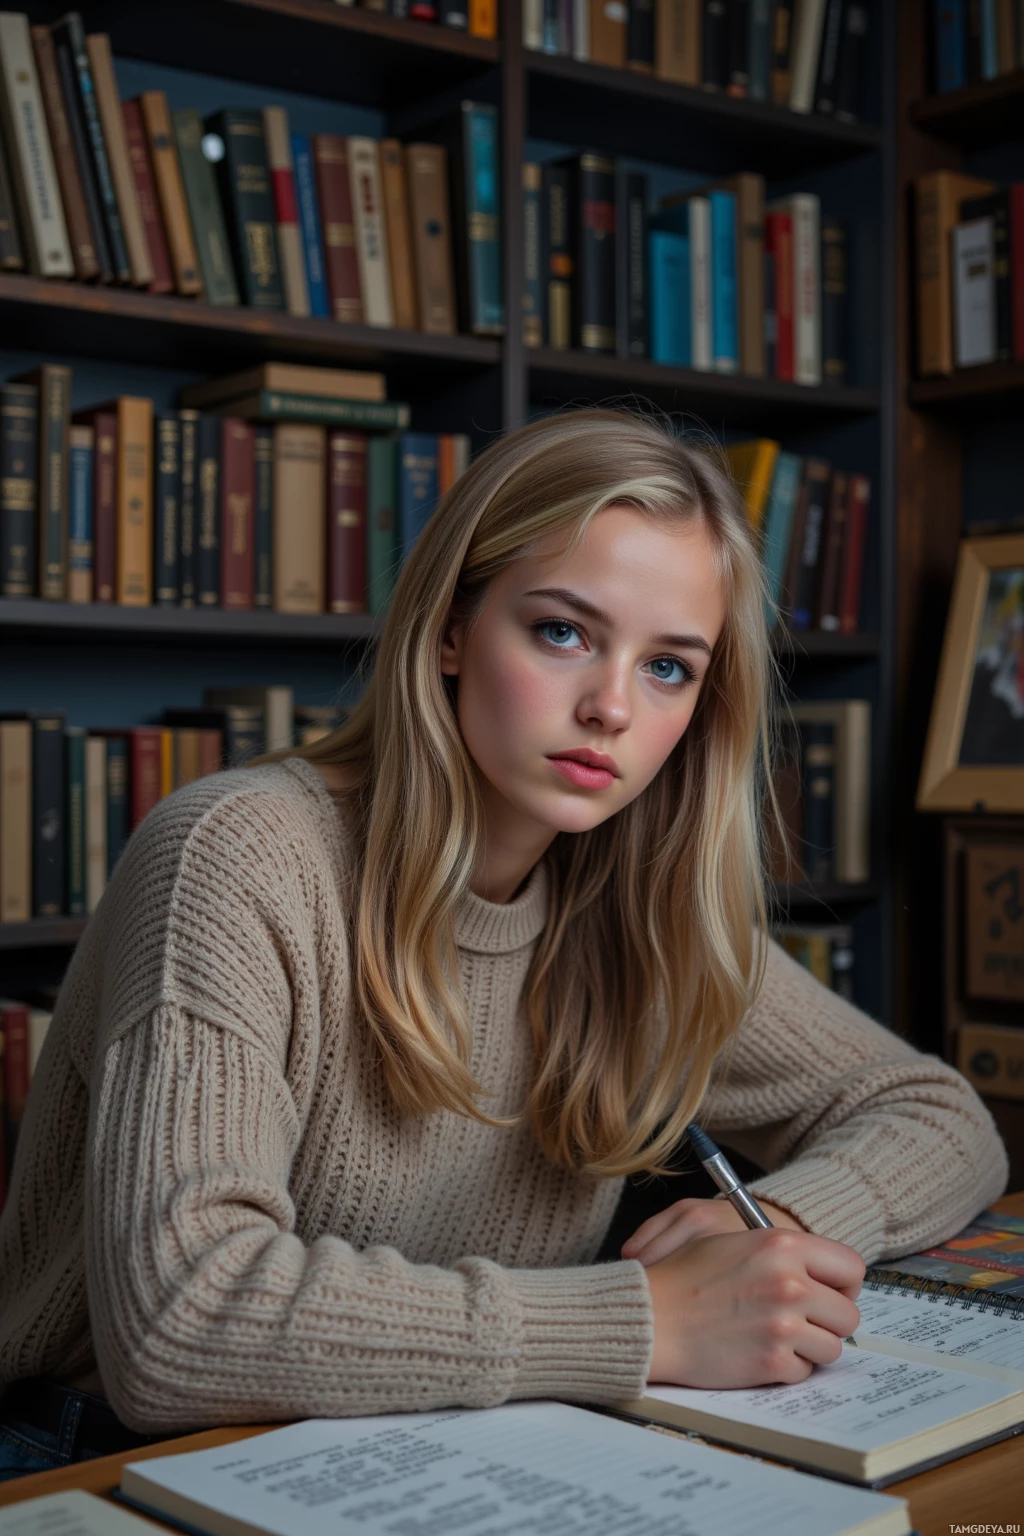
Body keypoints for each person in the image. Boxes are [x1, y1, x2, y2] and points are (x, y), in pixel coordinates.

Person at [0, 409, 1007, 1481]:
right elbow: (180, 1324)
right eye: (562, 632)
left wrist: (771, 1232)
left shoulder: (633, 904)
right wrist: (647, 1322)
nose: (611, 706)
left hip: (448, 1441)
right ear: (449, 628)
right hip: (111, 1461)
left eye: (668, 667)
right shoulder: (237, 854)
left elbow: (942, 1118)